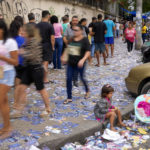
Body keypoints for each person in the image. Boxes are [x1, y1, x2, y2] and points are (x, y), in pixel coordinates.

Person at [11, 24, 51, 118]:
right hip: (28, 69)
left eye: (24, 31)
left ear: (28, 32)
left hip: (36, 70)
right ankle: (18, 110)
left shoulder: (34, 41)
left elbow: (33, 56)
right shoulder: (26, 41)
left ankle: (48, 108)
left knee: (41, 90)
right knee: (21, 88)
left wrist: (22, 52)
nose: (22, 32)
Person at [61, 24, 90, 104]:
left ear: (81, 31)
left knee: (82, 78)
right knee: (69, 79)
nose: (74, 32)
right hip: (70, 63)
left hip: (80, 64)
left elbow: (88, 51)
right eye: (73, 30)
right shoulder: (72, 39)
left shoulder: (85, 40)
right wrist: (63, 56)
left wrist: (83, 60)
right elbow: (67, 48)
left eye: (76, 30)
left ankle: (87, 90)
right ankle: (69, 97)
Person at [0, 20, 18, 139]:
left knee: (0, 100)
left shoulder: (10, 42)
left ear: (2, 29)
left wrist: (2, 57)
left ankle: (8, 128)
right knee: (3, 102)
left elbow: (15, 62)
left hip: (8, 73)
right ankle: (6, 127)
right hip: (0, 73)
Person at [9, 20, 25, 111]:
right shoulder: (22, 39)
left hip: (12, 64)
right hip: (21, 64)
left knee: (17, 85)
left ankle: (16, 103)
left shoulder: (8, 39)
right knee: (21, 85)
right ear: (19, 28)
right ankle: (19, 104)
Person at [37, 11, 55, 83]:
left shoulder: (37, 25)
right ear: (48, 16)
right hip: (47, 45)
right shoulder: (50, 26)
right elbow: (52, 38)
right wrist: (53, 47)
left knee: (40, 62)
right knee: (45, 62)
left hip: (38, 45)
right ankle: (44, 79)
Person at [63, 16, 79, 87]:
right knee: (69, 65)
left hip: (78, 49)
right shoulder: (68, 29)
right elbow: (64, 36)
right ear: (71, 21)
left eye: (76, 20)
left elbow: (84, 38)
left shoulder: (81, 29)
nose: (75, 22)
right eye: (73, 20)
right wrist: (66, 43)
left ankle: (75, 80)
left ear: (77, 21)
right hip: (69, 49)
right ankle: (71, 78)